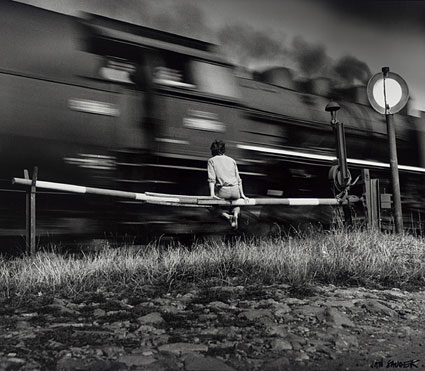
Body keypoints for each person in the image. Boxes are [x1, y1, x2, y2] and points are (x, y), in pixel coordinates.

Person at [207, 140, 248, 229]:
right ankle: (235, 215)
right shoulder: (232, 160)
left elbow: (212, 179)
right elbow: (238, 179)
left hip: (223, 191)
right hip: (235, 191)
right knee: (236, 204)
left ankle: (228, 216)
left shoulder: (211, 161)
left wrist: (212, 194)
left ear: (213, 150)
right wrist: (242, 195)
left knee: (211, 206)